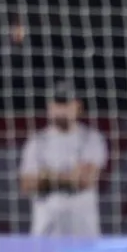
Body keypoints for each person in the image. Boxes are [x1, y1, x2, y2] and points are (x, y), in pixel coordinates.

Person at [19, 80, 107, 236]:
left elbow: (85, 180)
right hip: (46, 231)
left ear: (77, 107)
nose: (61, 109)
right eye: (57, 103)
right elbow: (27, 183)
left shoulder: (91, 138)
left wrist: (46, 176)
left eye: (66, 103)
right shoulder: (37, 141)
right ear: (49, 107)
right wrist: (69, 177)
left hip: (83, 231)